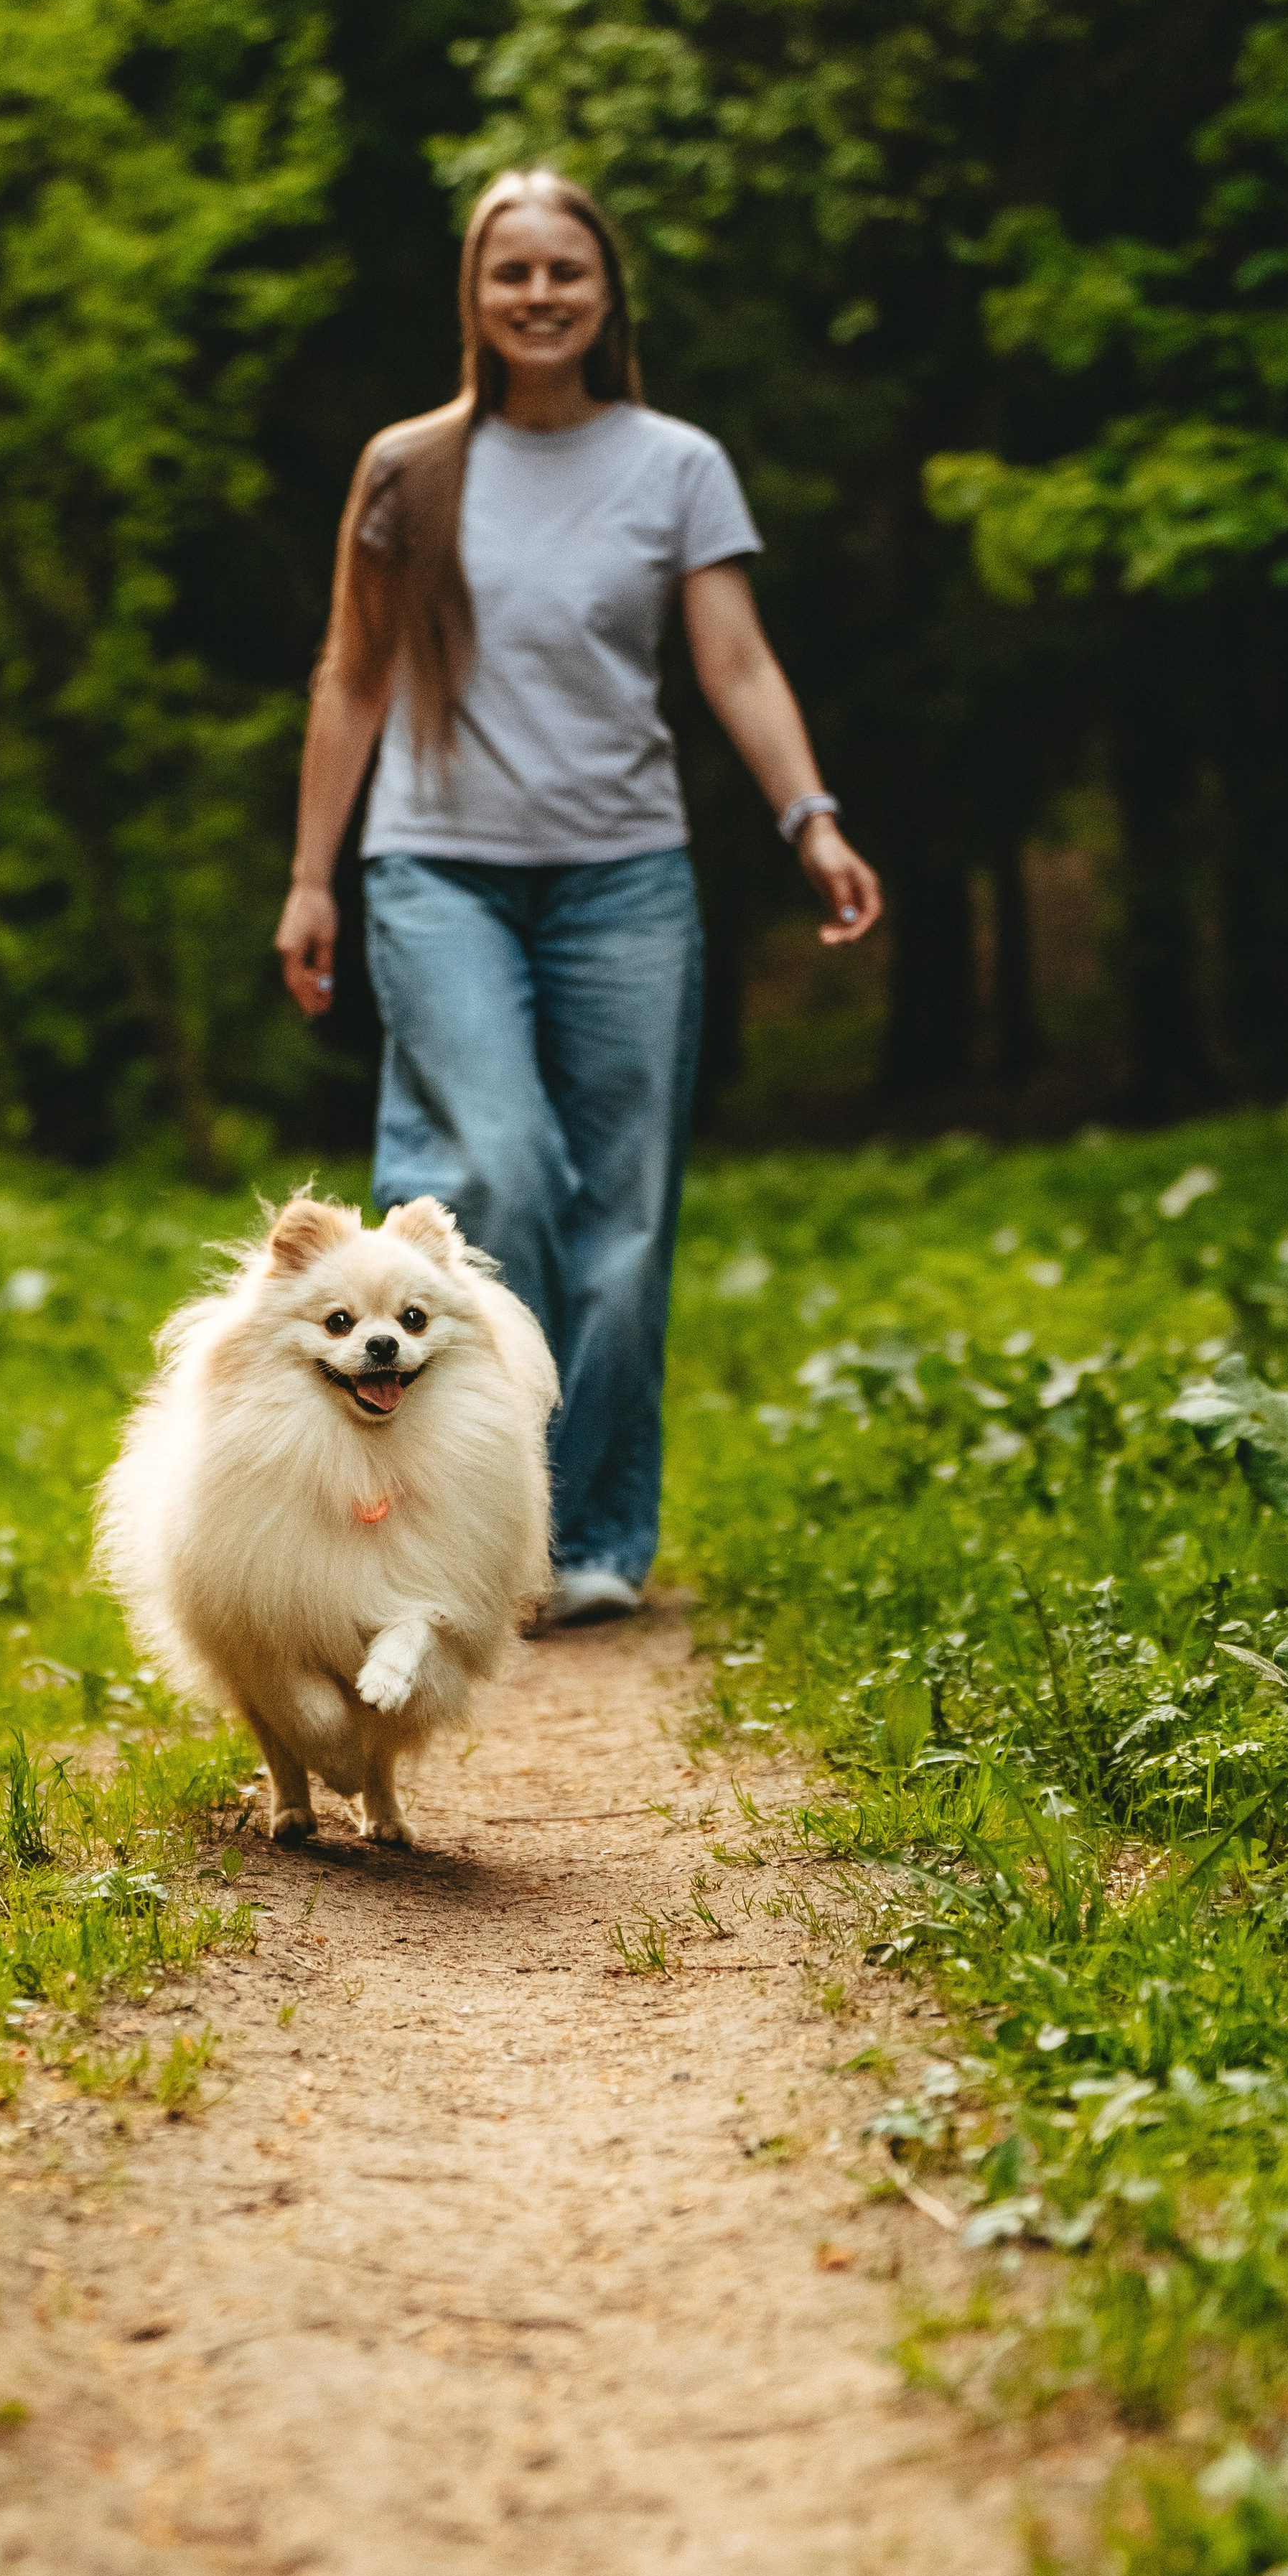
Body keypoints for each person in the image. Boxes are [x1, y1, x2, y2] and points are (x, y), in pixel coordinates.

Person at [274, 167, 882, 1625]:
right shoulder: (405, 468)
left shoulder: (674, 464)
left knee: (620, 1219)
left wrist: (809, 817)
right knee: (494, 1170)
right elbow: (352, 675)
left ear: (604, 294)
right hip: (434, 869)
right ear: (473, 297)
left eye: (565, 270)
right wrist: (310, 875)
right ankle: (448, 1517)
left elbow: (733, 663)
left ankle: (593, 1532)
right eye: (510, 272)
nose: (537, 294)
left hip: (623, 878)